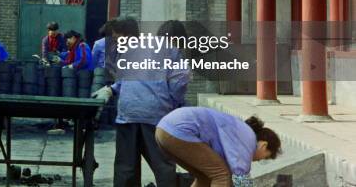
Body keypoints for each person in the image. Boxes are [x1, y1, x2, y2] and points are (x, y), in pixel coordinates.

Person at [92, 18, 190, 187]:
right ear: (177, 39)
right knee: (163, 165)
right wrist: (174, 105)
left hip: (127, 112)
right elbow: (178, 84)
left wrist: (111, 89)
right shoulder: (172, 51)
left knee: (125, 166)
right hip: (155, 115)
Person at [156, 107, 281, 187]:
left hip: (164, 129)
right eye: (264, 158)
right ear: (264, 145)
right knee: (221, 175)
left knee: (205, 177)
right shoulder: (248, 139)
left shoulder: (240, 134)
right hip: (180, 130)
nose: (258, 160)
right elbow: (241, 179)